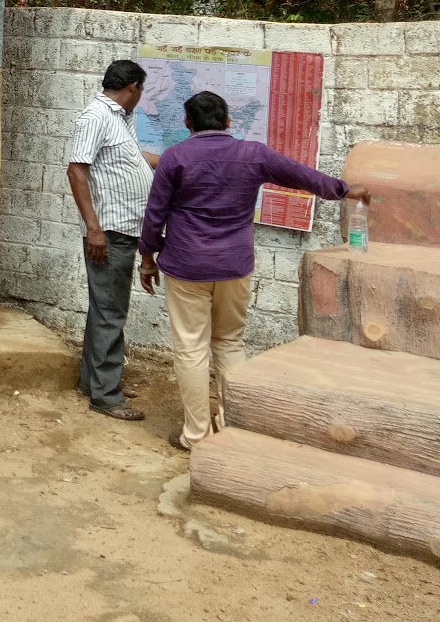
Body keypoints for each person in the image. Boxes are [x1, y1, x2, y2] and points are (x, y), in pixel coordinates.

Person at [139, 90, 366, 451]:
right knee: (229, 342)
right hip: (234, 265)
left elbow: (155, 215)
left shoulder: (174, 157)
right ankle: (232, 428)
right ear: (229, 122)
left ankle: (195, 436)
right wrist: (345, 190)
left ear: (187, 123)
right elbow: (303, 176)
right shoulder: (253, 154)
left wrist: (147, 258)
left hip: (185, 266)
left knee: (191, 348)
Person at [67, 59, 159, 422]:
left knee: (104, 308)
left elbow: (131, 161)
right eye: (142, 91)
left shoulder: (119, 118)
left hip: (122, 229)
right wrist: (94, 228)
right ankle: (107, 395)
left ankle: (96, 381)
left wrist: (173, 161)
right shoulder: (96, 117)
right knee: (111, 313)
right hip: (109, 232)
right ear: (134, 87)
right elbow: (77, 169)